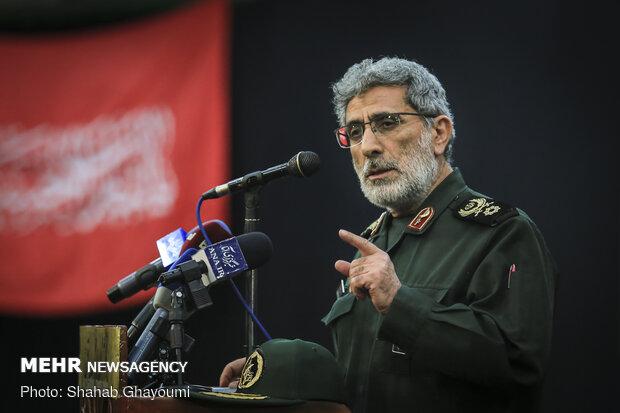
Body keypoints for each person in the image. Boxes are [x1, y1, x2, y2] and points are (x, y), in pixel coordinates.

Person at [221, 57, 557, 413]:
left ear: (439, 133)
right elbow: (367, 378)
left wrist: (400, 303)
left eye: (387, 123)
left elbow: (518, 366)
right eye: (355, 132)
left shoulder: (501, 232)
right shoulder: (372, 242)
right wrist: (276, 375)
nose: (368, 146)